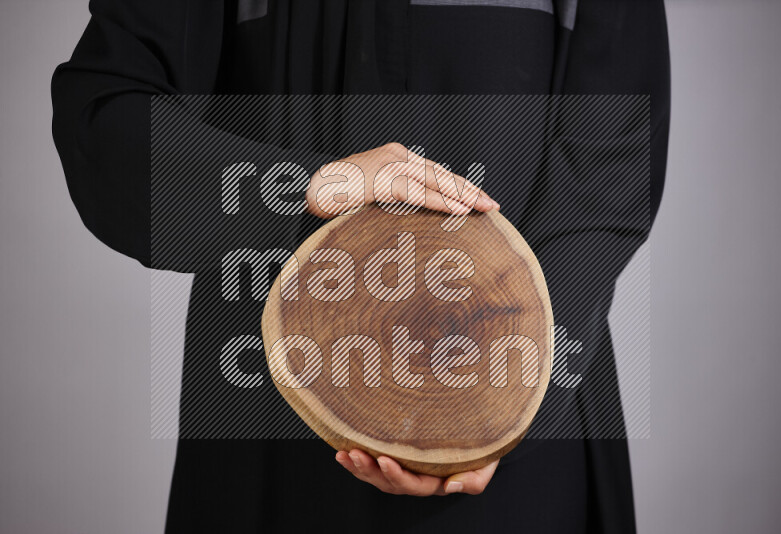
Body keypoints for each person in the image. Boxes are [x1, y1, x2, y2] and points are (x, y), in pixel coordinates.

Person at [52, 0, 670, 532]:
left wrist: (510, 403)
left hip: (519, 452)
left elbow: (610, 164)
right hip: (265, 432)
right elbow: (103, 120)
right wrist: (304, 187)